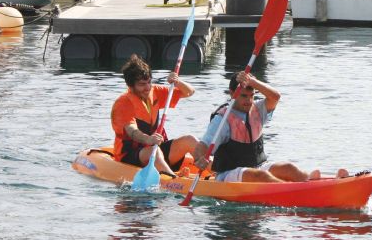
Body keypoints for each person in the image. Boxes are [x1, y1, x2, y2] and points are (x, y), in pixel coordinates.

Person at [193, 72, 344, 183]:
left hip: (257, 167)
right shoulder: (222, 119)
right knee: (261, 176)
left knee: (288, 168)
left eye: (251, 96)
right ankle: (298, 191)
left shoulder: (258, 110)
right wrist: (200, 159)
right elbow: (201, 146)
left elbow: (275, 97)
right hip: (228, 174)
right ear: (233, 94)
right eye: (244, 96)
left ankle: (317, 181)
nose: (249, 101)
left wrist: (253, 81)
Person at [111, 54, 199, 177]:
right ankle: (174, 180)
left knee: (189, 140)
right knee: (155, 150)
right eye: (142, 84)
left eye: (149, 82)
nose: (147, 88)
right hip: (131, 156)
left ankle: (217, 172)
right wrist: (148, 139)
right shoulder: (123, 103)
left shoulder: (155, 92)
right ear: (131, 86)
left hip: (156, 149)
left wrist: (177, 82)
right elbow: (131, 131)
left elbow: (189, 92)